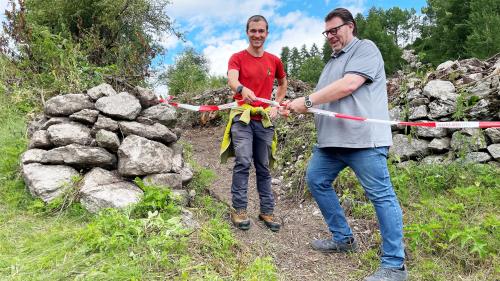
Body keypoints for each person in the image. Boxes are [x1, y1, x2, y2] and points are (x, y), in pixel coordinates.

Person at [286, 8, 407, 281]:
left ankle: (394, 266)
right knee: (316, 179)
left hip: (363, 140)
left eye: (335, 30)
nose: (330, 36)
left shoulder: (365, 49)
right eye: (326, 32)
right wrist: (292, 108)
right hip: (331, 143)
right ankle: (343, 239)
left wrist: (305, 101)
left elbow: (349, 85)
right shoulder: (330, 64)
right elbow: (322, 101)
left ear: (350, 27)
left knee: (381, 196)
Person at [220, 15, 288, 232]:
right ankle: (239, 209)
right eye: (253, 31)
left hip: (264, 119)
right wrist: (240, 89)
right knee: (243, 160)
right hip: (242, 116)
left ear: (267, 33)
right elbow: (232, 79)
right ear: (247, 32)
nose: (257, 35)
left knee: (263, 166)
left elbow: (283, 82)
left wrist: (276, 105)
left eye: (261, 31)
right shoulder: (237, 58)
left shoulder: (274, 60)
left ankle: (266, 211)